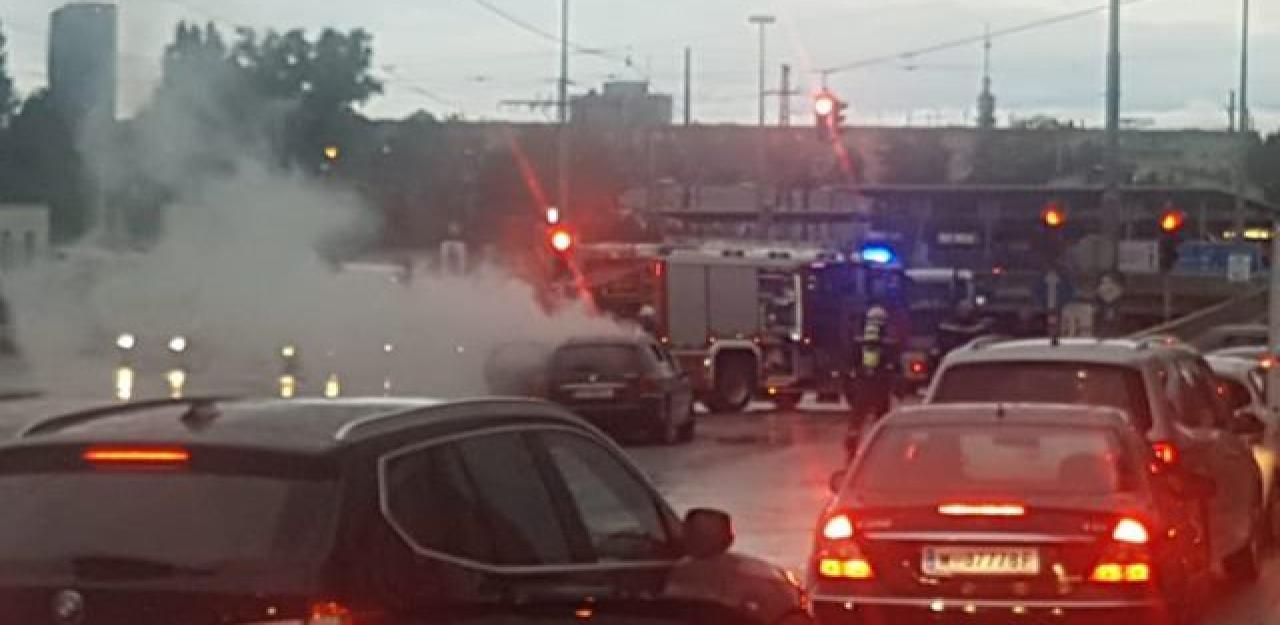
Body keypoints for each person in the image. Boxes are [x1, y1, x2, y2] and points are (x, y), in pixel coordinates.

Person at [844, 304, 899, 459]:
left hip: (862, 387)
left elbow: (850, 365)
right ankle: (879, 453)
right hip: (881, 387)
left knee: (856, 421)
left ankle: (851, 453)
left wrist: (850, 391)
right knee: (881, 422)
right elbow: (894, 366)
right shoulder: (889, 340)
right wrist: (897, 390)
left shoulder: (858, 339)